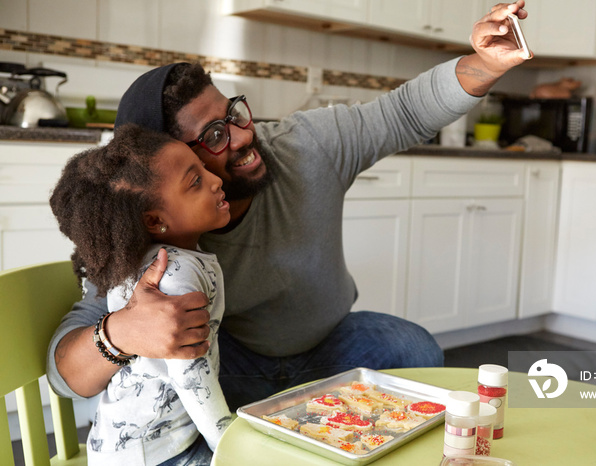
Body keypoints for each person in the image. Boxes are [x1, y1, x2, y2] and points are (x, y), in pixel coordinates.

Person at [47, 1, 531, 411]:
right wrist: (120, 334)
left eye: (233, 113)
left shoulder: (306, 146)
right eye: (215, 136)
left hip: (330, 351)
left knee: (411, 347)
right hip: (225, 371)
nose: (243, 136)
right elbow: (65, 374)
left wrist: (486, 64)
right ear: (171, 166)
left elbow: (403, 112)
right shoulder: (142, 236)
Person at [49, 124, 233, 465]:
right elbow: (189, 372)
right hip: (151, 453)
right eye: (195, 182)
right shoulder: (175, 273)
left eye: (203, 168)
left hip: (160, 441)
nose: (215, 179)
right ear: (154, 220)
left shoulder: (161, 260)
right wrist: (227, 439)